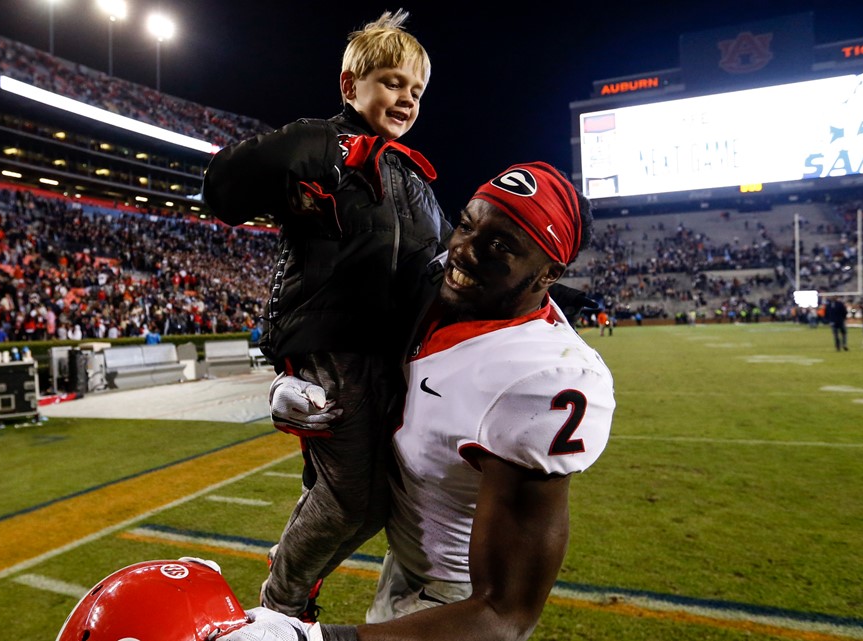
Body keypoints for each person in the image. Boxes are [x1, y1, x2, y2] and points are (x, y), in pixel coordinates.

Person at [220, 162, 616, 641]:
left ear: (548, 273)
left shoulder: (545, 377)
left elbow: (504, 613)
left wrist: (320, 639)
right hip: (404, 552)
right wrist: (290, 385)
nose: (463, 251)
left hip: (456, 599)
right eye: (467, 225)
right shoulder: (433, 287)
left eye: (500, 246)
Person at [202, 9, 448, 622]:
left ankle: (293, 589)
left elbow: (440, 262)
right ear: (350, 86)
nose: (406, 99)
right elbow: (223, 187)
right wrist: (299, 159)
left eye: (415, 90)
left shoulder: (411, 174)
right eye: (392, 81)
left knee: (373, 502)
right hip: (332, 347)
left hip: (388, 352)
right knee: (349, 499)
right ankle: (280, 608)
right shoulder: (325, 144)